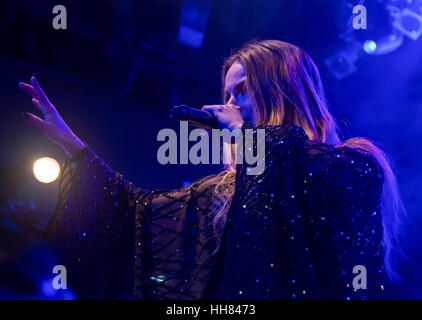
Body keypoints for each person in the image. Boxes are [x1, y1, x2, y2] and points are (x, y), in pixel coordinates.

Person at [18, 40, 405, 300]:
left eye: (242, 90)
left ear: (282, 90)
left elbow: (314, 186)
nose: (229, 103)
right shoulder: (222, 190)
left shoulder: (352, 164)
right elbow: (135, 212)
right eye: (226, 95)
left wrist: (246, 133)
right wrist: (73, 146)